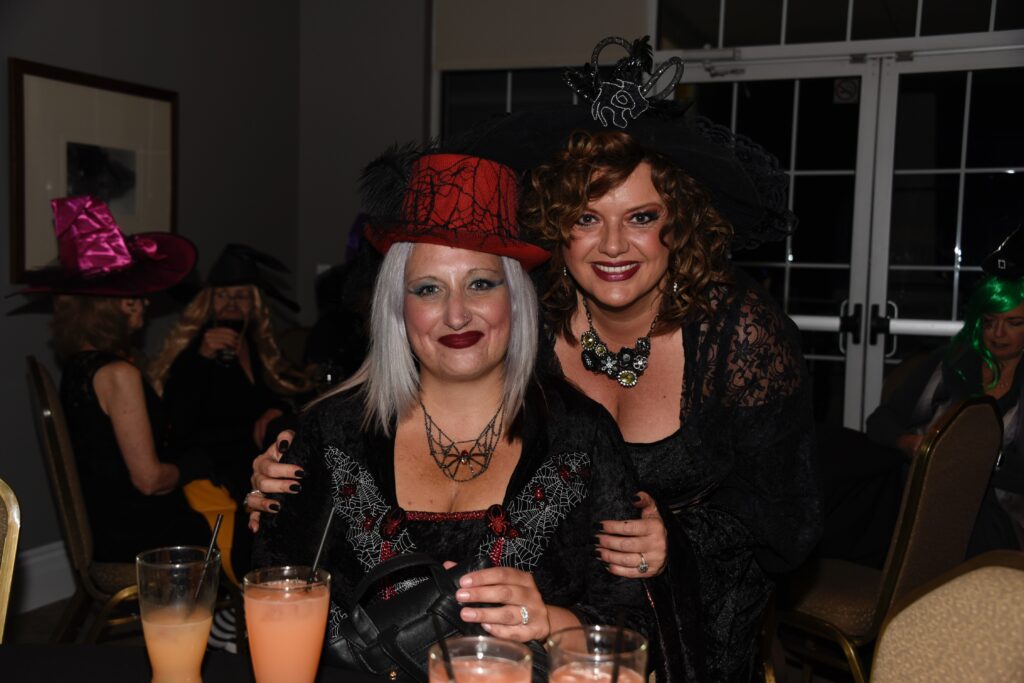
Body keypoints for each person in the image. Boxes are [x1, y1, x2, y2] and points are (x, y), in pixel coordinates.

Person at [252, 37, 821, 681]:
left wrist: (679, 539)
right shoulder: (529, 312)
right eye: (586, 218)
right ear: (556, 227)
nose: (613, 245)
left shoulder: (739, 334)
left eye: (640, 217)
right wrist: (287, 468)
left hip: (693, 614)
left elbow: (787, 516)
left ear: (679, 224)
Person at [251, 152, 650, 677]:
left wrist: (551, 621)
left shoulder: (581, 435)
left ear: (516, 298)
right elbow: (272, 590)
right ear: (398, 307)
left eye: (481, 284)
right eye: (428, 289)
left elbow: (631, 627)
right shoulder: (333, 432)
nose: (457, 314)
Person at [22, 196, 211, 562]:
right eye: (137, 298)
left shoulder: (78, 366)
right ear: (117, 306)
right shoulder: (118, 374)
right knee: (232, 516)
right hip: (141, 540)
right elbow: (149, 480)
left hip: (108, 523)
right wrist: (198, 465)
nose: (146, 305)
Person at [865, 228, 1024, 555]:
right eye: (989, 321)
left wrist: (975, 458)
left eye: (1013, 323)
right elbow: (880, 422)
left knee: (967, 503)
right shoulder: (949, 361)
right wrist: (912, 445)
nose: (998, 333)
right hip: (923, 495)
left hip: (1001, 518)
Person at [150, 244, 312, 505]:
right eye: (223, 296)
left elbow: (281, 390)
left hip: (254, 460)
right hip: (216, 469)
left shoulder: (256, 345)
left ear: (254, 304)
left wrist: (277, 408)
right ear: (209, 302)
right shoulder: (195, 348)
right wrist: (202, 357)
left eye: (241, 296)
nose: (232, 304)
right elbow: (179, 420)